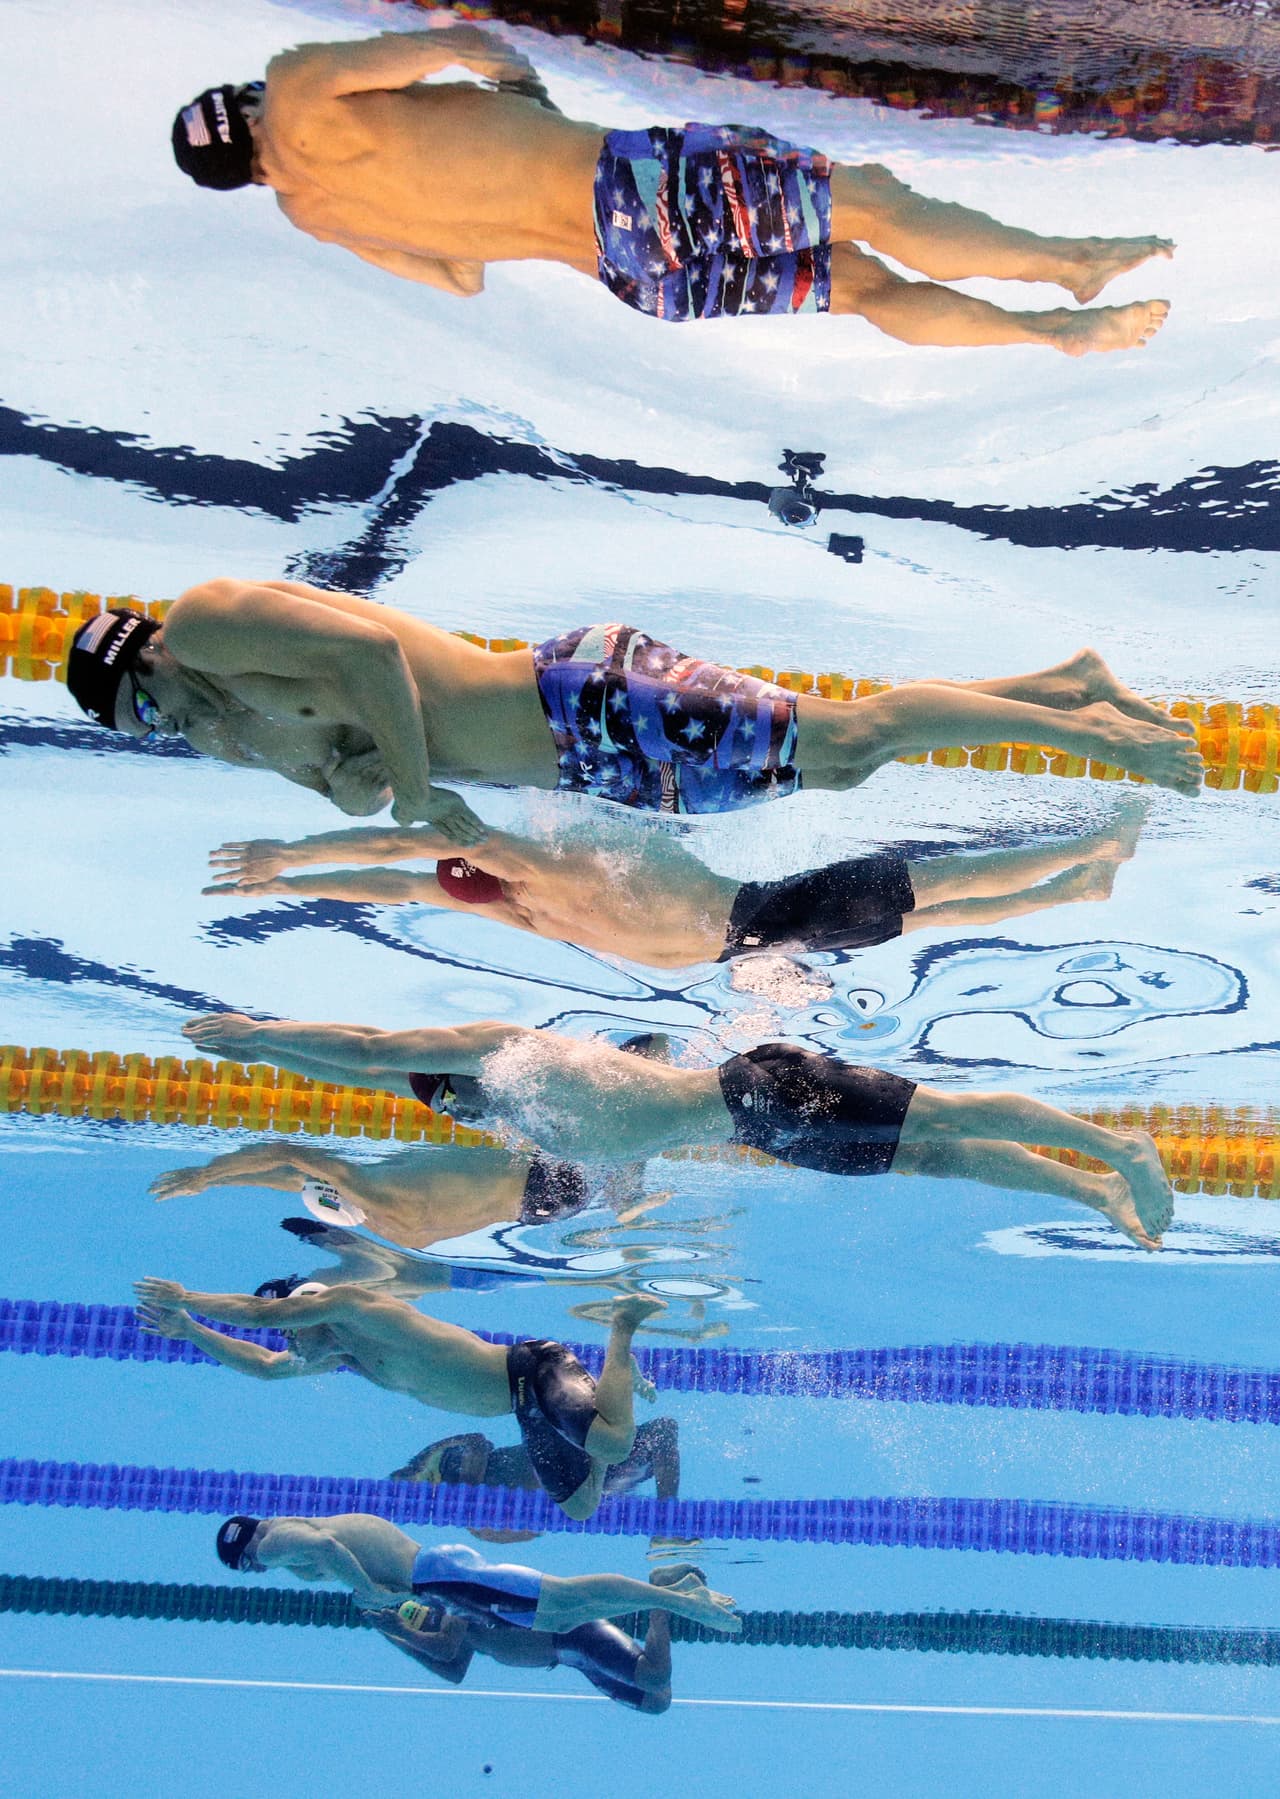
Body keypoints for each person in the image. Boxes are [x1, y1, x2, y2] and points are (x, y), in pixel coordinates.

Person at [171, 24, 1172, 353]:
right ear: (247, 106)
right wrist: (519, 91)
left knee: (858, 283)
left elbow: (462, 279)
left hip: (630, 276)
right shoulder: (299, 85)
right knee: (863, 196)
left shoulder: (311, 212)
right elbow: (462, 41)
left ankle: (1053, 338)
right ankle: (1070, 268)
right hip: (632, 184)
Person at [66, 582, 1203, 842]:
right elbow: (354, 777)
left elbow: (368, 654)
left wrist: (413, 791)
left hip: (579, 694)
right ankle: (1066, 684)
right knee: (845, 762)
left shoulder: (209, 626)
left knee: (847, 735)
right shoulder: (230, 727)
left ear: (144, 657)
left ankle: (1092, 737)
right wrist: (376, 790)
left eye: (148, 707)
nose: (172, 728)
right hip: (584, 766)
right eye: (148, 737)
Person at [179, 1010, 1177, 1250]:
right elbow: (624, 1166)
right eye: (439, 1106)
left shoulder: (506, 1052)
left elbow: (359, 1046)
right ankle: (1089, 1191)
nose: (447, 1106)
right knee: (940, 1155)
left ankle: (1113, 1147)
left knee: (949, 1116)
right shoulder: (538, 1117)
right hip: (763, 1130)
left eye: (436, 1090)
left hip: (765, 1086)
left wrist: (265, 1043)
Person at [204, 800, 1148, 969]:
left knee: (936, 906)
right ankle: (1096, 845)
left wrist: (290, 864)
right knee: (936, 884)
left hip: (751, 938)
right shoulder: (527, 878)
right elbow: (405, 863)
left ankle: (1078, 887)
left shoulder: (533, 897)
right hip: (759, 919)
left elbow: (404, 866)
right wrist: (290, 861)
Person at [133, 1278, 665, 1521]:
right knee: (581, 1507)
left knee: (616, 1445)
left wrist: (188, 1298)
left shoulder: (358, 1308)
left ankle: (621, 1331)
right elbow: (265, 1368)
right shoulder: (342, 1355)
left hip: (535, 1370)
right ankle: (610, 1383)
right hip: (524, 1411)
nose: (288, 1341)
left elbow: (264, 1316)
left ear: (309, 1310)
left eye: (293, 1328)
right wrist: (190, 1329)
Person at [212, 1511, 740, 1708]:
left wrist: (370, 1595)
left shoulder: (273, 1543)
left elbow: (329, 1553)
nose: (256, 1569)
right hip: (440, 1580)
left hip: (440, 1577)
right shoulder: (295, 1526)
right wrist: (384, 1611)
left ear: (243, 1556)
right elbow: (453, 1662)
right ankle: (668, 1596)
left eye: (246, 1566)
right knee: (564, 1613)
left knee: (568, 1602)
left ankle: (672, 1597)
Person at [372, 1559, 706, 1712]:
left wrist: (397, 1630)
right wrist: (394, 1637)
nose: (424, 1626)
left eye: (417, 1622)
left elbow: (443, 1650)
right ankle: (662, 1593)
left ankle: (660, 1591)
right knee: (657, 1701)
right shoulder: (463, 1636)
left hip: (577, 1634)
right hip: (570, 1657)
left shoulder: (448, 1602)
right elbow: (453, 1670)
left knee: (654, 1675)